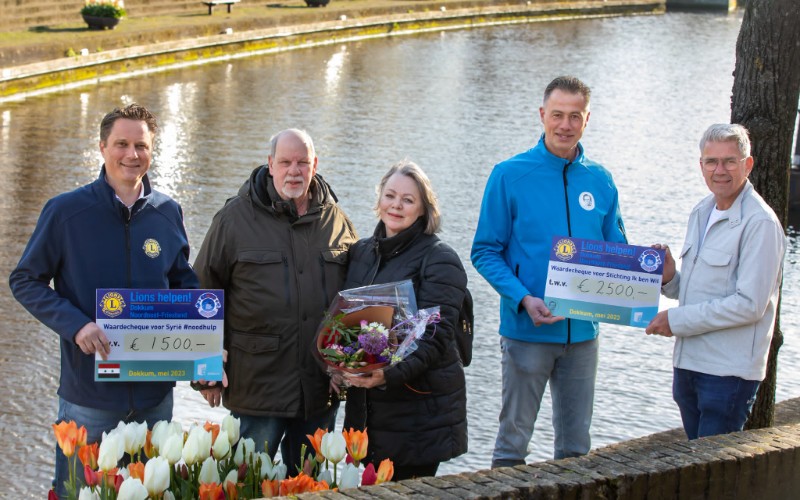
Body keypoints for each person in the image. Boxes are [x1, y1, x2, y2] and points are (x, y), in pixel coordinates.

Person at [8, 103, 199, 497]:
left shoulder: (167, 212)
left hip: (154, 395)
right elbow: (25, 280)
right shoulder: (65, 212)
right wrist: (76, 324)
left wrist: (207, 347)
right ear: (102, 147)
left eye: (141, 146)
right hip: (89, 398)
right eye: (122, 144)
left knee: (149, 493)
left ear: (152, 150)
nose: (132, 155)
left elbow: (184, 286)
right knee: (78, 492)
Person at [471, 76, 627, 467]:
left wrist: (644, 265)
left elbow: (617, 254)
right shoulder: (509, 174)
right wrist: (523, 297)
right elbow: (485, 251)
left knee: (576, 451)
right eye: (557, 115)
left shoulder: (601, 181)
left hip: (584, 336)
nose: (565, 125)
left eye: (575, 116)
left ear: (587, 120)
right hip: (528, 332)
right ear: (542, 115)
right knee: (512, 447)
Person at [193, 128, 357, 472]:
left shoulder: (337, 222)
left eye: (302, 162)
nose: (293, 171)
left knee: (311, 488)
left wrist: (349, 365)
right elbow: (202, 295)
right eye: (285, 162)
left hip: (318, 390)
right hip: (258, 388)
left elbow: (354, 303)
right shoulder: (233, 220)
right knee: (248, 484)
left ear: (315, 164)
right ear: (270, 165)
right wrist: (204, 370)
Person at [645, 123, 786, 440]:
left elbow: (748, 306)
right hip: (689, 365)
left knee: (711, 477)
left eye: (729, 161)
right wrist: (669, 278)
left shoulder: (760, 223)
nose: (719, 170)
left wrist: (676, 320)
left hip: (727, 373)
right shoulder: (701, 211)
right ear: (701, 166)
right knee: (697, 467)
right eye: (712, 161)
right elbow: (701, 290)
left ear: (747, 165)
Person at [342, 160, 468, 481]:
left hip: (418, 418)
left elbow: (434, 340)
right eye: (390, 195)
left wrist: (386, 375)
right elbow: (346, 324)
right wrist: (336, 365)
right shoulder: (360, 253)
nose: (396, 205)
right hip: (366, 413)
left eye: (408, 200)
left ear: (424, 210)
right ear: (379, 199)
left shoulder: (440, 260)